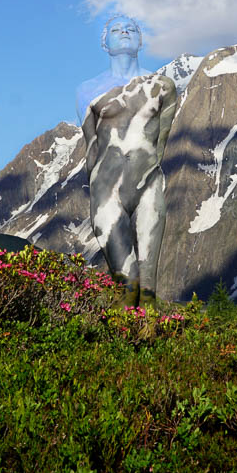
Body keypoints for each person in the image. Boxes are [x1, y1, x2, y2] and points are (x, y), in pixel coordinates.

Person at [76, 16, 178, 304]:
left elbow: (162, 141)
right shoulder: (87, 92)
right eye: (116, 30)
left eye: (131, 29)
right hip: (106, 191)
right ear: (103, 42)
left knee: (148, 288)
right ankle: (122, 343)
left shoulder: (163, 87)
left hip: (149, 184)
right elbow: (91, 147)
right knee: (126, 283)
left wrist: (149, 177)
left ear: (141, 41)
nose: (124, 33)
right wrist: (96, 197)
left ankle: (151, 344)